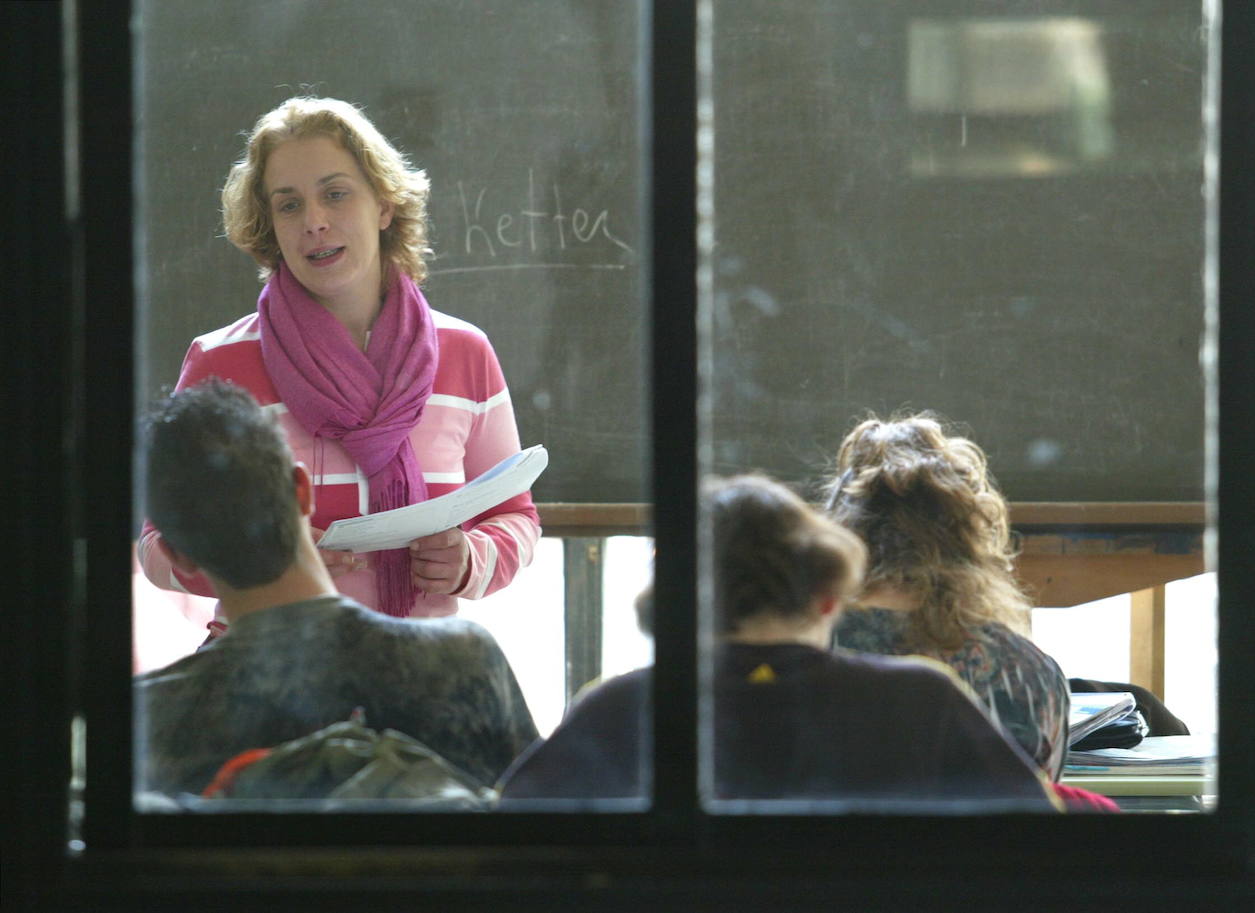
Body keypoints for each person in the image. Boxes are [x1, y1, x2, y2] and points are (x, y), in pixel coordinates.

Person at [138, 96, 540, 632]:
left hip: (420, 668)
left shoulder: (465, 350)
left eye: (335, 194)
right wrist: (270, 569)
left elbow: (515, 517)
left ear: (384, 205)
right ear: (269, 227)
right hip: (269, 671)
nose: (315, 222)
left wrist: (470, 560)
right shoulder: (220, 362)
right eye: (288, 205)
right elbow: (157, 545)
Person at [498, 474, 1056, 809]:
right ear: (830, 598)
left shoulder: (618, 707)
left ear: (675, 604)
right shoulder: (923, 699)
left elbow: (513, 849)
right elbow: (1034, 846)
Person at [134, 380, 538, 797]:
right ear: (302, 491)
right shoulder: (462, 663)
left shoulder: (150, 719)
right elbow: (536, 830)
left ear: (176, 555)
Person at [820, 411, 1071, 779]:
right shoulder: (1028, 671)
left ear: (840, 536)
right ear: (971, 539)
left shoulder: (804, 650)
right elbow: (1045, 802)